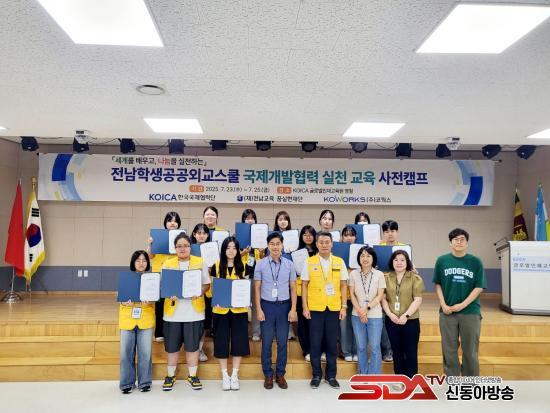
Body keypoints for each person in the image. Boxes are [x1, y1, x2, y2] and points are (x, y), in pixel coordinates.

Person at [433, 228, 486, 377]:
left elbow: (479, 287)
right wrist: (443, 305)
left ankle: (470, 381)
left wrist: (462, 305)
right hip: (447, 312)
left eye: (462, 239)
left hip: (470, 312)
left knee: (470, 350)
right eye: (455, 239)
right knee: (448, 349)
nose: (459, 242)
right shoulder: (442, 261)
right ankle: (452, 379)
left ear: (467, 243)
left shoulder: (475, 262)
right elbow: (438, 284)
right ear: (450, 243)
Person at [161, 233, 211, 391]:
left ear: (191, 247)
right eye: (179, 246)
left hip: (194, 312)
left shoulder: (200, 262)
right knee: (172, 347)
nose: (182, 249)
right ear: (175, 248)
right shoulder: (167, 264)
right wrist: (169, 292)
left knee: (192, 346)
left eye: (186, 246)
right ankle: (170, 376)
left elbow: (207, 284)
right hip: (172, 313)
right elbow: (163, 286)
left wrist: (199, 291)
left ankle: (192, 375)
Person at [301, 231, 348, 389]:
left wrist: (344, 306)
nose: (324, 245)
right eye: (321, 242)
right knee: (315, 343)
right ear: (316, 244)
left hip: (333, 308)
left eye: (327, 242)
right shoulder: (309, 262)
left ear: (332, 244)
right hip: (315, 308)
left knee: (331, 343)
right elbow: (304, 285)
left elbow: (343, 285)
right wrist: (305, 307)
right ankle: (316, 375)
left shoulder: (339, 262)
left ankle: (331, 376)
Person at [254, 233, 297, 389]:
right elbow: (257, 288)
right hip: (267, 306)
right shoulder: (260, 264)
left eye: (278, 243)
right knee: (266, 342)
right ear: (268, 246)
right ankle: (268, 374)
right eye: (272, 244)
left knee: (282, 342)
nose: (275, 246)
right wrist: (259, 309)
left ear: (282, 245)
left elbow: (293, 288)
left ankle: (280, 374)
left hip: (284, 307)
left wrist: (293, 309)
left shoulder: (289, 264)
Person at [211, 237, 250, 391]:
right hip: (220, 310)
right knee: (221, 341)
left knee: (238, 341)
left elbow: (247, 287)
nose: (231, 251)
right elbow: (213, 289)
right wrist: (216, 299)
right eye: (228, 248)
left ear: (238, 250)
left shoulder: (244, 266)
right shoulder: (216, 266)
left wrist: (246, 300)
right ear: (223, 250)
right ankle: (224, 375)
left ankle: (234, 375)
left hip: (239, 310)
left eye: (234, 247)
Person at [381, 250, 423, 378]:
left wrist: (406, 315)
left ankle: (411, 380)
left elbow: (418, 299)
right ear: (392, 262)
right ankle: (400, 379)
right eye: (396, 260)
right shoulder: (386, 278)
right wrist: (389, 314)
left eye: (402, 260)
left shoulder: (415, 278)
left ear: (407, 262)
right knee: (397, 351)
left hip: (410, 321)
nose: (399, 263)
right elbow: (383, 298)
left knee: (410, 352)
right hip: (392, 320)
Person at [119, 250, 154, 394]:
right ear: (133, 262)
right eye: (138, 260)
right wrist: (123, 301)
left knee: (145, 353)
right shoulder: (126, 278)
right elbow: (119, 296)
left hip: (145, 319)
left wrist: (151, 300)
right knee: (125, 353)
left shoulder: (152, 279)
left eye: (144, 260)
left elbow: (156, 298)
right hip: (127, 319)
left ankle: (144, 382)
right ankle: (127, 383)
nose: (141, 263)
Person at [348, 246, 386, 374]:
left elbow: (380, 295)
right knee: (361, 347)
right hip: (357, 315)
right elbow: (352, 294)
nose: (365, 258)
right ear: (359, 258)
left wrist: (366, 308)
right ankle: (363, 374)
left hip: (375, 315)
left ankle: (374, 376)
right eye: (362, 255)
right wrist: (360, 310)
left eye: (368, 256)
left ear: (373, 258)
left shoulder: (379, 274)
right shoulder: (353, 274)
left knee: (375, 347)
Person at [147, 211, 182, 342]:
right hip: (159, 276)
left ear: (178, 224)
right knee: (160, 305)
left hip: (174, 275)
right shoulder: (157, 237)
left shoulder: (181, 238)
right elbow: (150, 256)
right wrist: (150, 244)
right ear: (165, 223)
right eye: (170, 220)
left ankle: (173, 332)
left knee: (174, 304)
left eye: (175, 221)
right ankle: (159, 332)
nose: (172, 223)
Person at [378, 219, 406, 362]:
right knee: (384, 321)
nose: (390, 234)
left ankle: (399, 350)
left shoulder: (404, 248)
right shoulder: (378, 248)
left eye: (393, 231)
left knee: (398, 318)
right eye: (387, 231)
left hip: (400, 290)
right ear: (383, 233)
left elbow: (410, 267)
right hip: (382, 289)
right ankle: (387, 350)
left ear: (397, 232)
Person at [240, 208, 265, 342]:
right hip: (242, 276)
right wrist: (242, 253)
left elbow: (265, 259)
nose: (250, 220)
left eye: (252, 218)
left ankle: (256, 332)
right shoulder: (238, 235)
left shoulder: (261, 236)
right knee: (242, 305)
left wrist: (261, 253)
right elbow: (231, 256)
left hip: (257, 276)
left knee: (256, 305)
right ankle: (242, 331)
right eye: (247, 218)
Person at [296, 225, 318, 361]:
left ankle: (317, 349)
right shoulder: (296, 253)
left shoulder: (320, 252)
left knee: (316, 323)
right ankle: (307, 350)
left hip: (317, 291)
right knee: (303, 323)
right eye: (305, 234)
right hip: (300, 292)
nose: (308, 237)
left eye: (310, 234)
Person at [190, 223, 211, 362]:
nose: (201, 235)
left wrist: (211, 269)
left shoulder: (213, 249)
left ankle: (200, 349)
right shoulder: (189, 249)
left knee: (205, 323)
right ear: (194, 234)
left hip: (208, 291)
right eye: (199, 233)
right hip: (192, 291)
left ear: (208, 235)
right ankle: (191, 348)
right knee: (193, 322)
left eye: (204, 233)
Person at [339, 226, 357, 362]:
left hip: (358, 296)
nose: (349, 237)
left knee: (357, 325)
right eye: (346, 235)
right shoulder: (337, 253)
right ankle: (346, 352)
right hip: (342, 296)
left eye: (351, 235)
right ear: (342, 237)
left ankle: (356, 351)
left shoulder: (361, 251)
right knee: (344, 325)